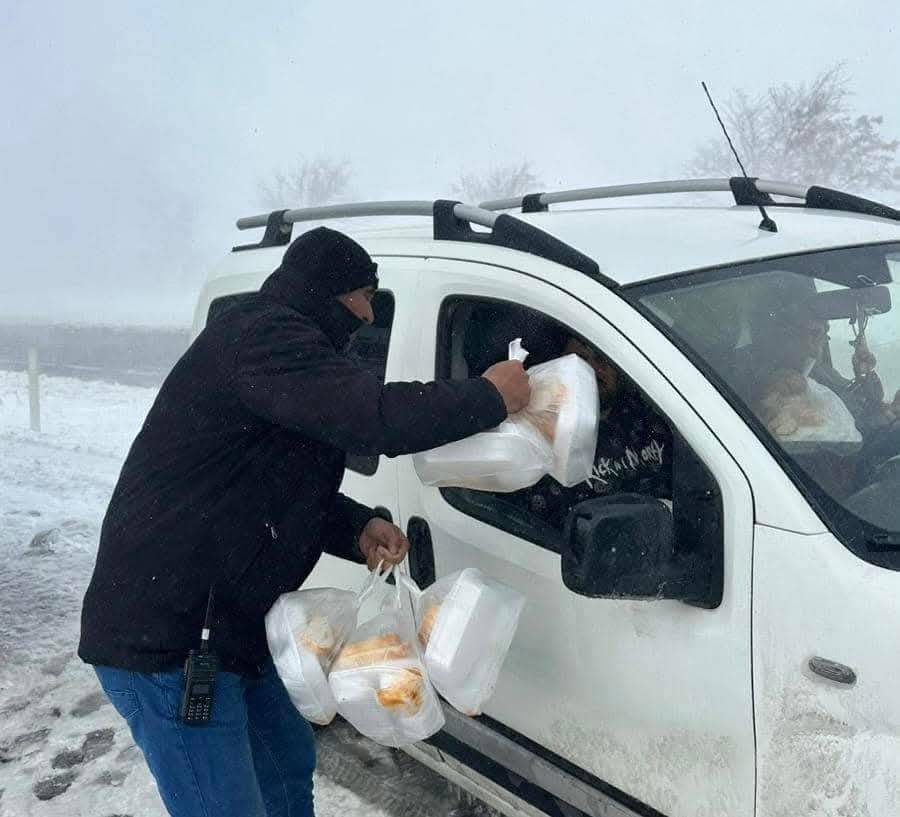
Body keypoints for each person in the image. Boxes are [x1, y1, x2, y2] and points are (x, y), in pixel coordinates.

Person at [78, 226, 530, 817]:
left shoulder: (288, 355)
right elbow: (374, 419)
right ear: (333, 293)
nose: (370, 316)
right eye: (368, 296)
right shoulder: (260, 337)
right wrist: (488, 396)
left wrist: (355, 527)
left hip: (236, 630)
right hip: (171, 643)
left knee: (287, 775)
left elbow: (274, 484)